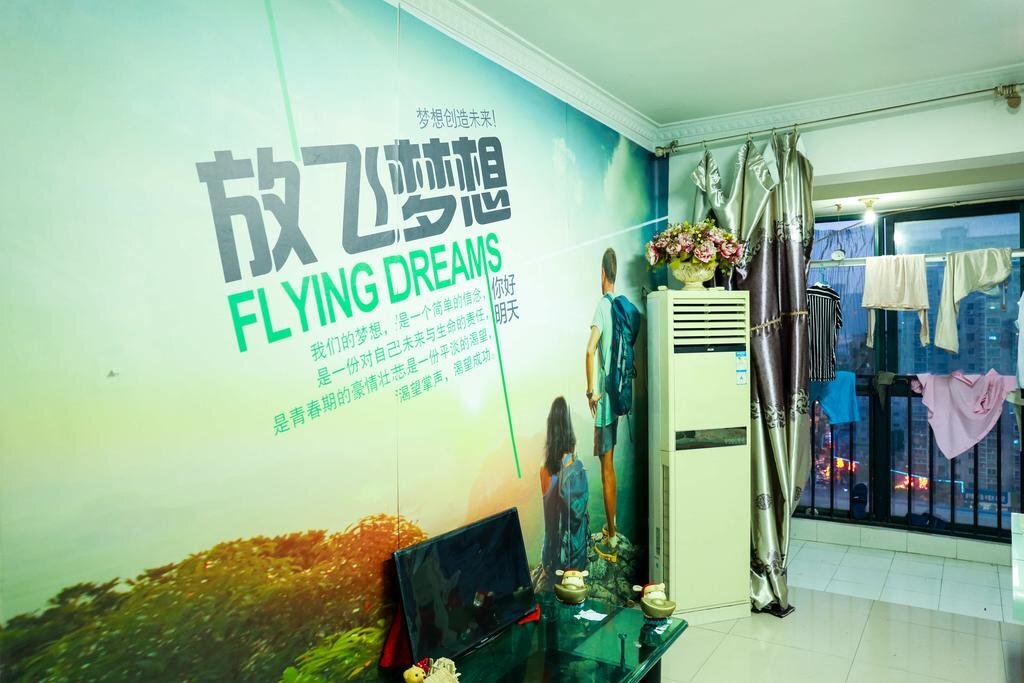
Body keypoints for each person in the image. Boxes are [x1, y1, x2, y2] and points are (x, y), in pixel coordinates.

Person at [586, 248, 619, 562]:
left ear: (602, 274)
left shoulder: (602, 306)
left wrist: (590, 391)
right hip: (618, 395)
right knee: (610, 464)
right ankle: (612, 527)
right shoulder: (620, 306)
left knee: (605, 467)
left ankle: (611, 538)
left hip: (606, 401)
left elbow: (589, 350)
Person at [539, 396, 589, 587]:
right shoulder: (575, 466)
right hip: (574, 559)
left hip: (550, 559)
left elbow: (549, 515)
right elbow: (579, 514)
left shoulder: (543, 469)